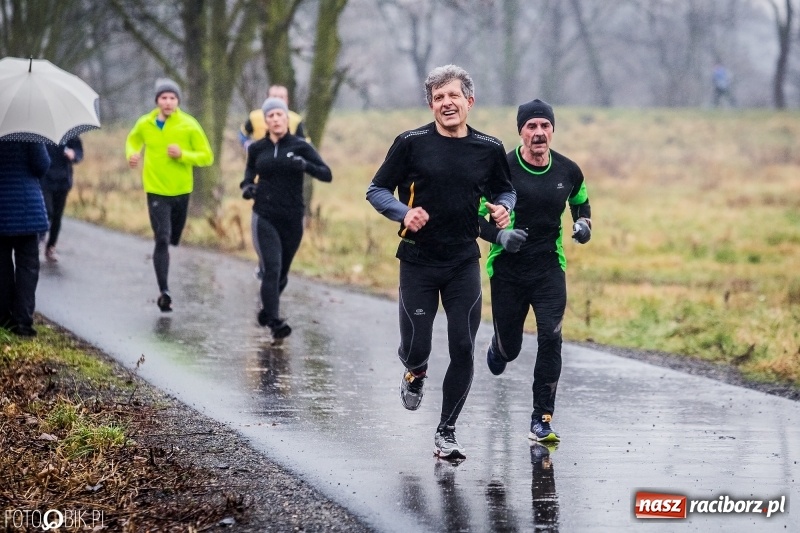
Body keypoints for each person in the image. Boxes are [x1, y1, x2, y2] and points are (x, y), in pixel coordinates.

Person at [366, 64, 516, 460]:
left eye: (453, 96)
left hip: (463, 260)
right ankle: (415, 372)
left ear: (469, 100)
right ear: (431, 104)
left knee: (464, 346)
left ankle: (446, 431)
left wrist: (502, 208)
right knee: (417, 345)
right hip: (418, 260)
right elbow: (376, 189)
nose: (446, 104)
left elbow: (505, 190)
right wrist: (402, 212)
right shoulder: (410, 142)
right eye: (438, 98)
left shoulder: (489, 147)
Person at [478, 98, 591, 443]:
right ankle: (499, 347)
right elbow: (475, 219)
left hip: (548, 270)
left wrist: (584, 226)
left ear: (553, 130)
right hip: (508, 271)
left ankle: (541, 419)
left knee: (551, 337)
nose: (539, 133)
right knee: (511, 350)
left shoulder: (568, 171)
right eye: (532, 126)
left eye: (545, 126)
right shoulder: (502, 169)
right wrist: (501, 235)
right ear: (520, 132)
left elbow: (581, 207)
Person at [240, 97, 332, 342]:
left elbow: (326, 174)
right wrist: (248, 188)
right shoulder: (257, 148)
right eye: (271, 116)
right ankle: (275, 322)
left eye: (280, 115)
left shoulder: (300, 146)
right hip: (265, 216)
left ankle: (267, 310)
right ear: (266, 121)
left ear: (286, 119)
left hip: (293, 217)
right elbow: (248, 177)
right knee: (272, 269)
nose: (276, 119)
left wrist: (305, 165)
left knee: (282, 275)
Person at [126, 78, 214, 312]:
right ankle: (164, 290)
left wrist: (183, 154)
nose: (168, 102)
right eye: (163, 98)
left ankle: (168, 252)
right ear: (157, 101)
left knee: (174, 237)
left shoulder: (189, 124)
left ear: (178, 101)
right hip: (155, 189)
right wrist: (133, 154)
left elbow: (207, 156)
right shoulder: (145, 123)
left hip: (182, 191)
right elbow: (133, 141)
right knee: (162, 238)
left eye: (172, 98)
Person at [0, 141, 51, 336]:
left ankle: (4, 319)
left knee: (2, 267)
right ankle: (22, 323)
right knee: (27, 267)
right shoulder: (29, 129)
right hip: (26, 210)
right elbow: (42, 165)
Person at [40, 136, 83, 262]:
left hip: (63, 181)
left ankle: (51, 247)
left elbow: (79, 151)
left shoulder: (70, 133)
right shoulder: (42, 133)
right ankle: (39, 239)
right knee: (47, 212)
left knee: (57, 216)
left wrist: (74, 154)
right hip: (45, 179)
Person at [239, 85, 308, 151]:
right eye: (274, 96)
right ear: (267, 97)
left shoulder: (296, 119)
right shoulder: (255, 116)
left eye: (281, 97)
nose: (277, 100)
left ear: (287, 99)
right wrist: (248, 145)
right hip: (261, 156)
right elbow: (243, 134)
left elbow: (306, 143)